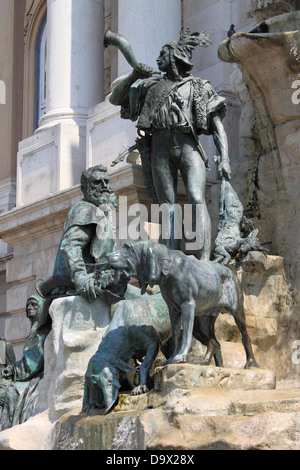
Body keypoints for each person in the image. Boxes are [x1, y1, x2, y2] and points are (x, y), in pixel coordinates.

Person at [109, 29, 231, 260]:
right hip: (159, 147)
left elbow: (217, 127)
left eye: (163, 55)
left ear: (175, 58)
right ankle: (171, 259)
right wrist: (134, 75)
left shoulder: (199, 87)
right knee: (167, 204)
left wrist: (224, 158)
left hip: (188, 145)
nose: (157, 59)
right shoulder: (150, 87)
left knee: (196, 197)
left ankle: (204, 258)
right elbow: (116, 98)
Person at [36, 165, 138, 303]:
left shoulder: (97, 211)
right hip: (93, 284)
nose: (104, 186)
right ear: (85, 189)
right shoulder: (85, 209)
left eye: (106, 182)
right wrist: (80, 277)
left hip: (107, 280)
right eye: (97, 182)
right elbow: (70, 246)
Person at [0, 295, 51, 430]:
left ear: (41, 308)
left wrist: (13, 370)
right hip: (29, 376)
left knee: (5, 394)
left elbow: (33, 364)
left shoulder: (41, 332)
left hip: (35, 379)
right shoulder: (34, 330)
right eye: (28, 305)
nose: (29, 307)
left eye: (34, 305)